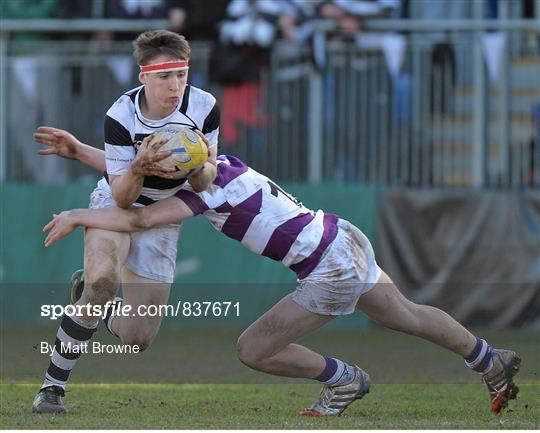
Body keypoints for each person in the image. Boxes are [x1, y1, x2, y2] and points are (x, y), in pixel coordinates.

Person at [38, 130, 521, 416]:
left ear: (180, 172)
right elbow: (149, 179)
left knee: (252, 350)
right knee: (406, 315)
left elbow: (139, 217)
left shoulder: (203, 194)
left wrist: (79, 215)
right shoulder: (226, 165)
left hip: (327, 269)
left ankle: (344, 379)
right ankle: (488, 361)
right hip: (342, 236)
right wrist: (80, 150)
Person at [31, 29, 220, 413]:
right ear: (144, 77)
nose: (176, 85)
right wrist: (137, 166)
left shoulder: (203, 105)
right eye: (165, 76)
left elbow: (206, 180)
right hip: (116, 203)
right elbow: (121, 197)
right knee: (102, 283)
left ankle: (104, 307)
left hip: (163, 215)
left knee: (137, 338)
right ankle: (51, 389)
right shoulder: (121, 116)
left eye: (181, 75)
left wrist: (198, 163)